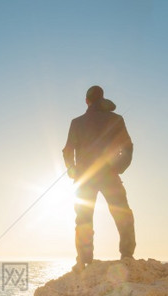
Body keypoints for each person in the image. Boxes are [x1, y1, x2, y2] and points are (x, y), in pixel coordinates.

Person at [62, 85, 136, 271]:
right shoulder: (116, 119)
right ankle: (127, 255)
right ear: (102, 99)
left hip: (85, 177)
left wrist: (73, 171)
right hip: (109, 174)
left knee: (84, 218)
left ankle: (84, 260)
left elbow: (67, 151)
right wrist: (119, 167)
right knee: (122, 214)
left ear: (87, 101)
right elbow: (127, 147)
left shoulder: (77, 122)